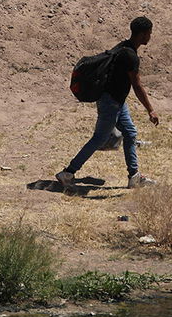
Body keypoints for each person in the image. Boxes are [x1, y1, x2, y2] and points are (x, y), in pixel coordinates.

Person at [57, 17, 159, 190]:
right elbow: (137, 85)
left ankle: (134, 176)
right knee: (100, 138)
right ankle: (68, 172)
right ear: (142, 34)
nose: (150, 36)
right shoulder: (131, 56)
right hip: (110, 102)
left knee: (130, 133)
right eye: (149, 33)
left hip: (116, 101)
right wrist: (151, 110)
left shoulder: (123, 46)